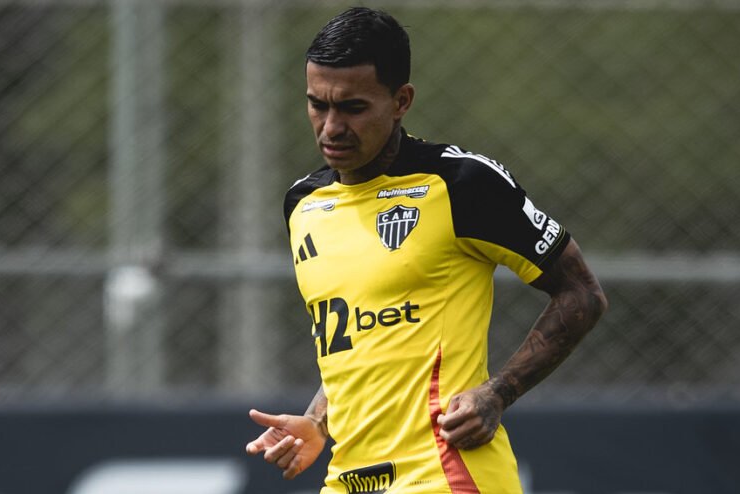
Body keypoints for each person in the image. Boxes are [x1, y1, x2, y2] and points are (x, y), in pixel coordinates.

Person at [246, 7, 607, 493]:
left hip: (445, 475)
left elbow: (581, 293)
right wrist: (317, 421)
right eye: (318, 105)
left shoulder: (461, 184)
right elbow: (359, 337)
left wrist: (498, 392)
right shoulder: (304, 203)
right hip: (347, 479)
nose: (331, 127)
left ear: (401, 101)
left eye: (353, 108)